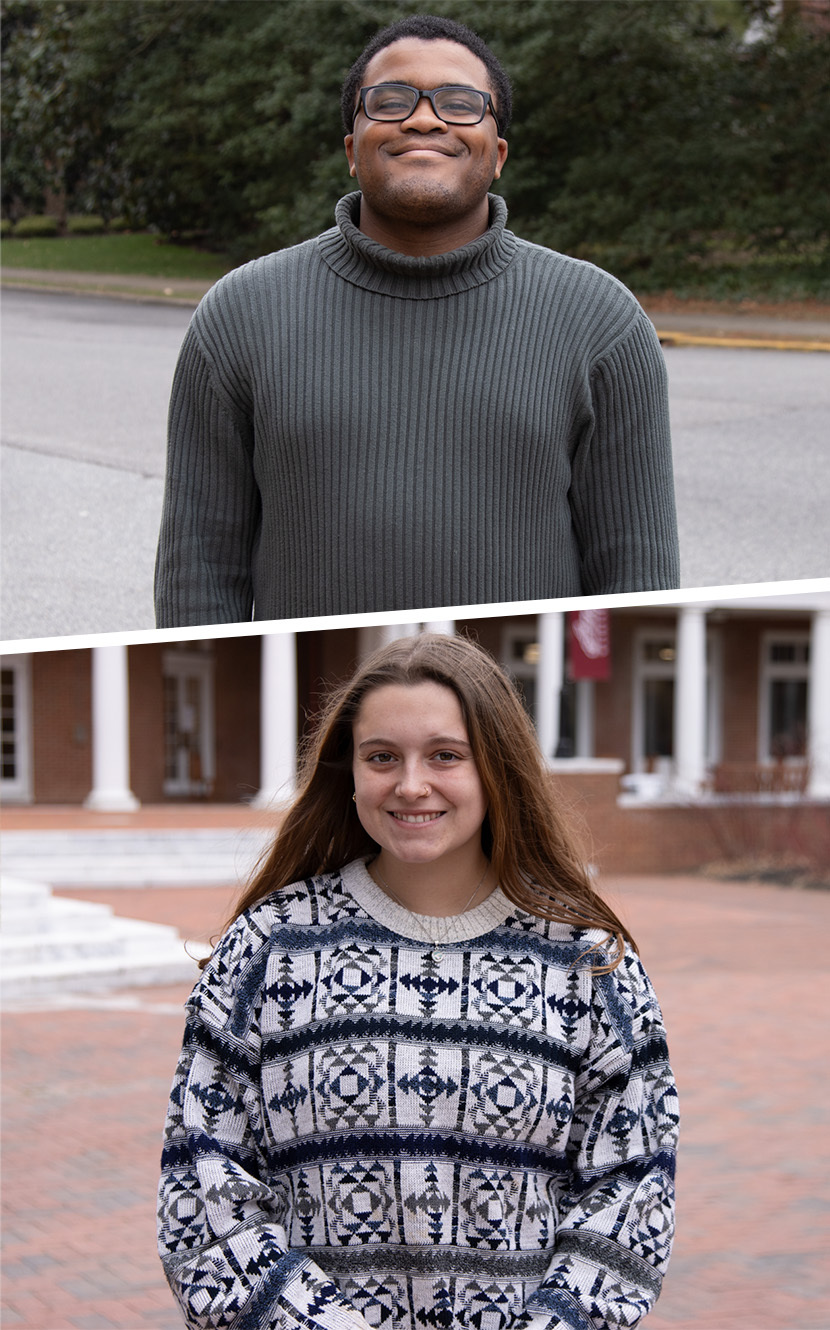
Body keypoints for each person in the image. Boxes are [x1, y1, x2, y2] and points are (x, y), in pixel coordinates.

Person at [157, 632, 679, 1330]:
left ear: (498, 767)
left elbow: (631, 1190)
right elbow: (203, 1187)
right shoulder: (267, 947)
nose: (410, 784)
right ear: (351, 772)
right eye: (381, 757)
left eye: (445, 755)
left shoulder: (588, 963)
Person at [154, 14, 679, 628]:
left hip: (520, 718)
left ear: (498, 153)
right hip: (314, 721)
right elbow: (199, 574)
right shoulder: (239, 316)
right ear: (352, 149)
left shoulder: (602, 323)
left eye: (460, 103)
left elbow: (636, 585)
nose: (424, 118)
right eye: (390, 100)